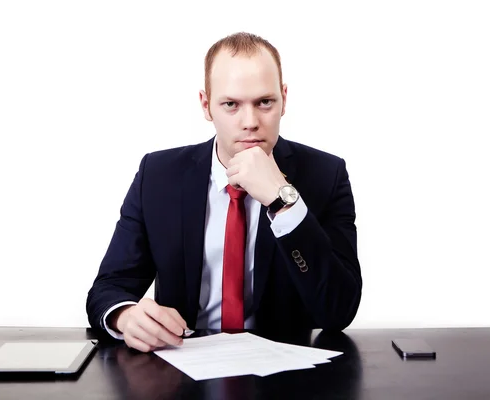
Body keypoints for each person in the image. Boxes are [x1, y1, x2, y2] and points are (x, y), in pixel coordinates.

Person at [86, 32, 362, 352]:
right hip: (183, 366)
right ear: (206, 105)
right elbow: (108, 288)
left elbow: (338, 310)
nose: (250, 122)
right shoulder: (158, 176)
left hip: (285, 373)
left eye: (265, 102)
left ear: (284, 99)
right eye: (231, 104)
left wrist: (283, 199)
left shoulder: (326, 176)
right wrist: (125, 315)